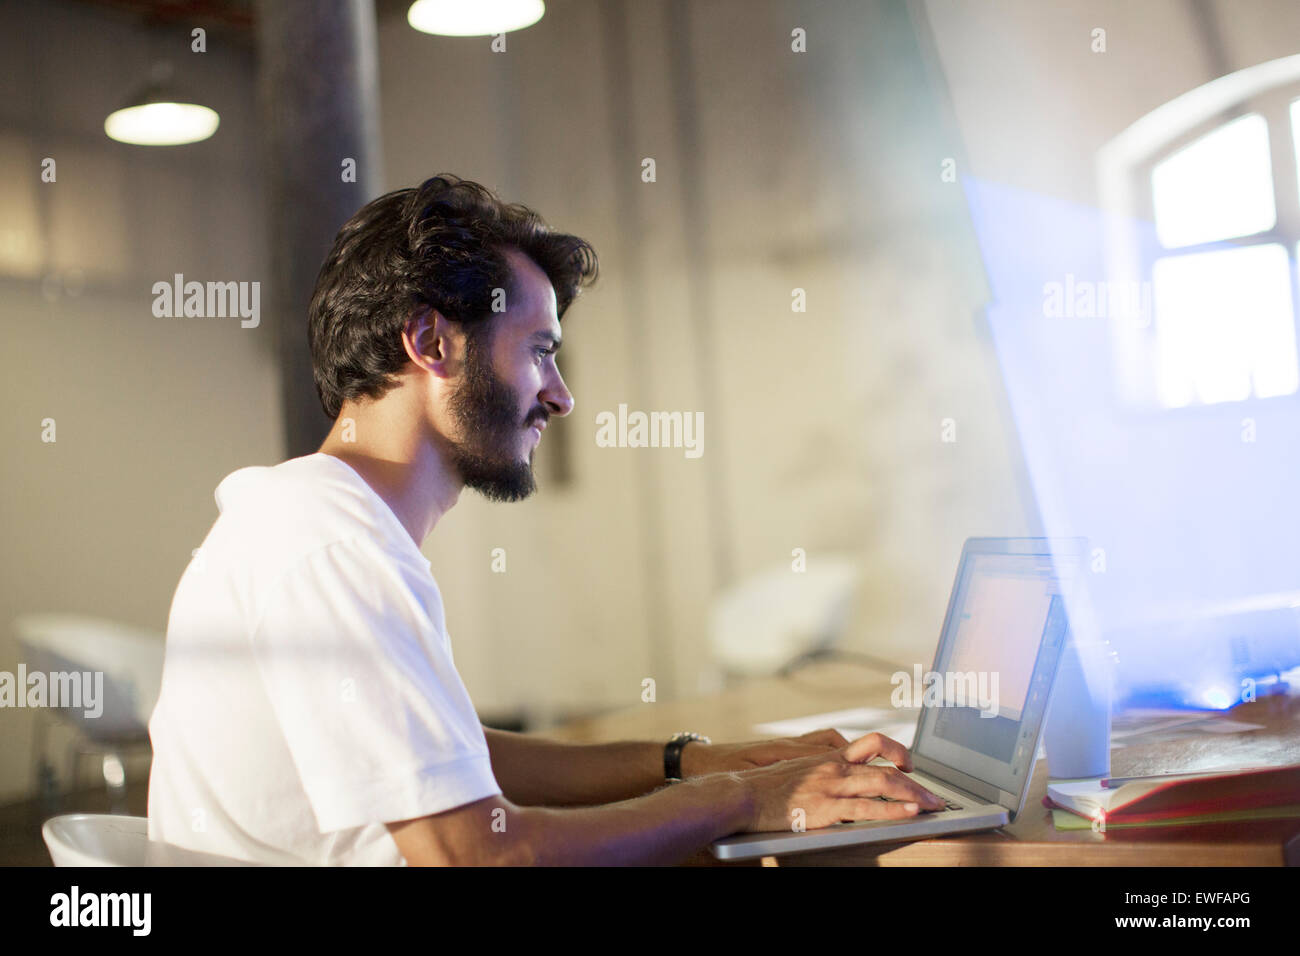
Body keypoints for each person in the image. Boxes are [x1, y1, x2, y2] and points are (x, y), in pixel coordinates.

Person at [146, 174, 943, 865]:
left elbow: (457, 758)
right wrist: (739, 799)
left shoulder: (314, 519)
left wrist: (694, 765)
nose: (561, 395)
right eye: (540, 351)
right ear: (430, 341)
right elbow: (478, 857)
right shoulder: (327, 542)